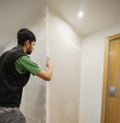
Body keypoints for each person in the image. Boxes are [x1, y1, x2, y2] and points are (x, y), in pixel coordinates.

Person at [0, 28, 53, 123]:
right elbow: (48, 76)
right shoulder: (22, 58)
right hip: (8, 106)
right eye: (33, 44)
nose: (33, 48)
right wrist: (50, 65)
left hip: (4, 104)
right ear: (27, 43)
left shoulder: (5, 55)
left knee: (21, 120)